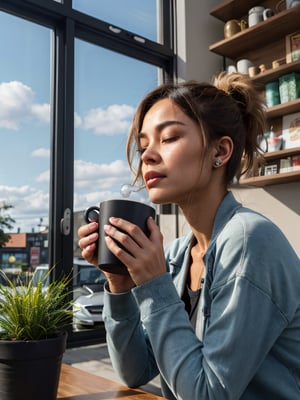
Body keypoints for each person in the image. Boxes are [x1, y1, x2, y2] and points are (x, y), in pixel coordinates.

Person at [78, 72, 300, 399]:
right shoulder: (180, 254)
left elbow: (207, 395)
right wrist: (121, 284)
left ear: (220, 152)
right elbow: (135, 371)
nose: (148, 155)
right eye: (144, 145)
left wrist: (154, 284)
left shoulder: (250, 241)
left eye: (168, 138)